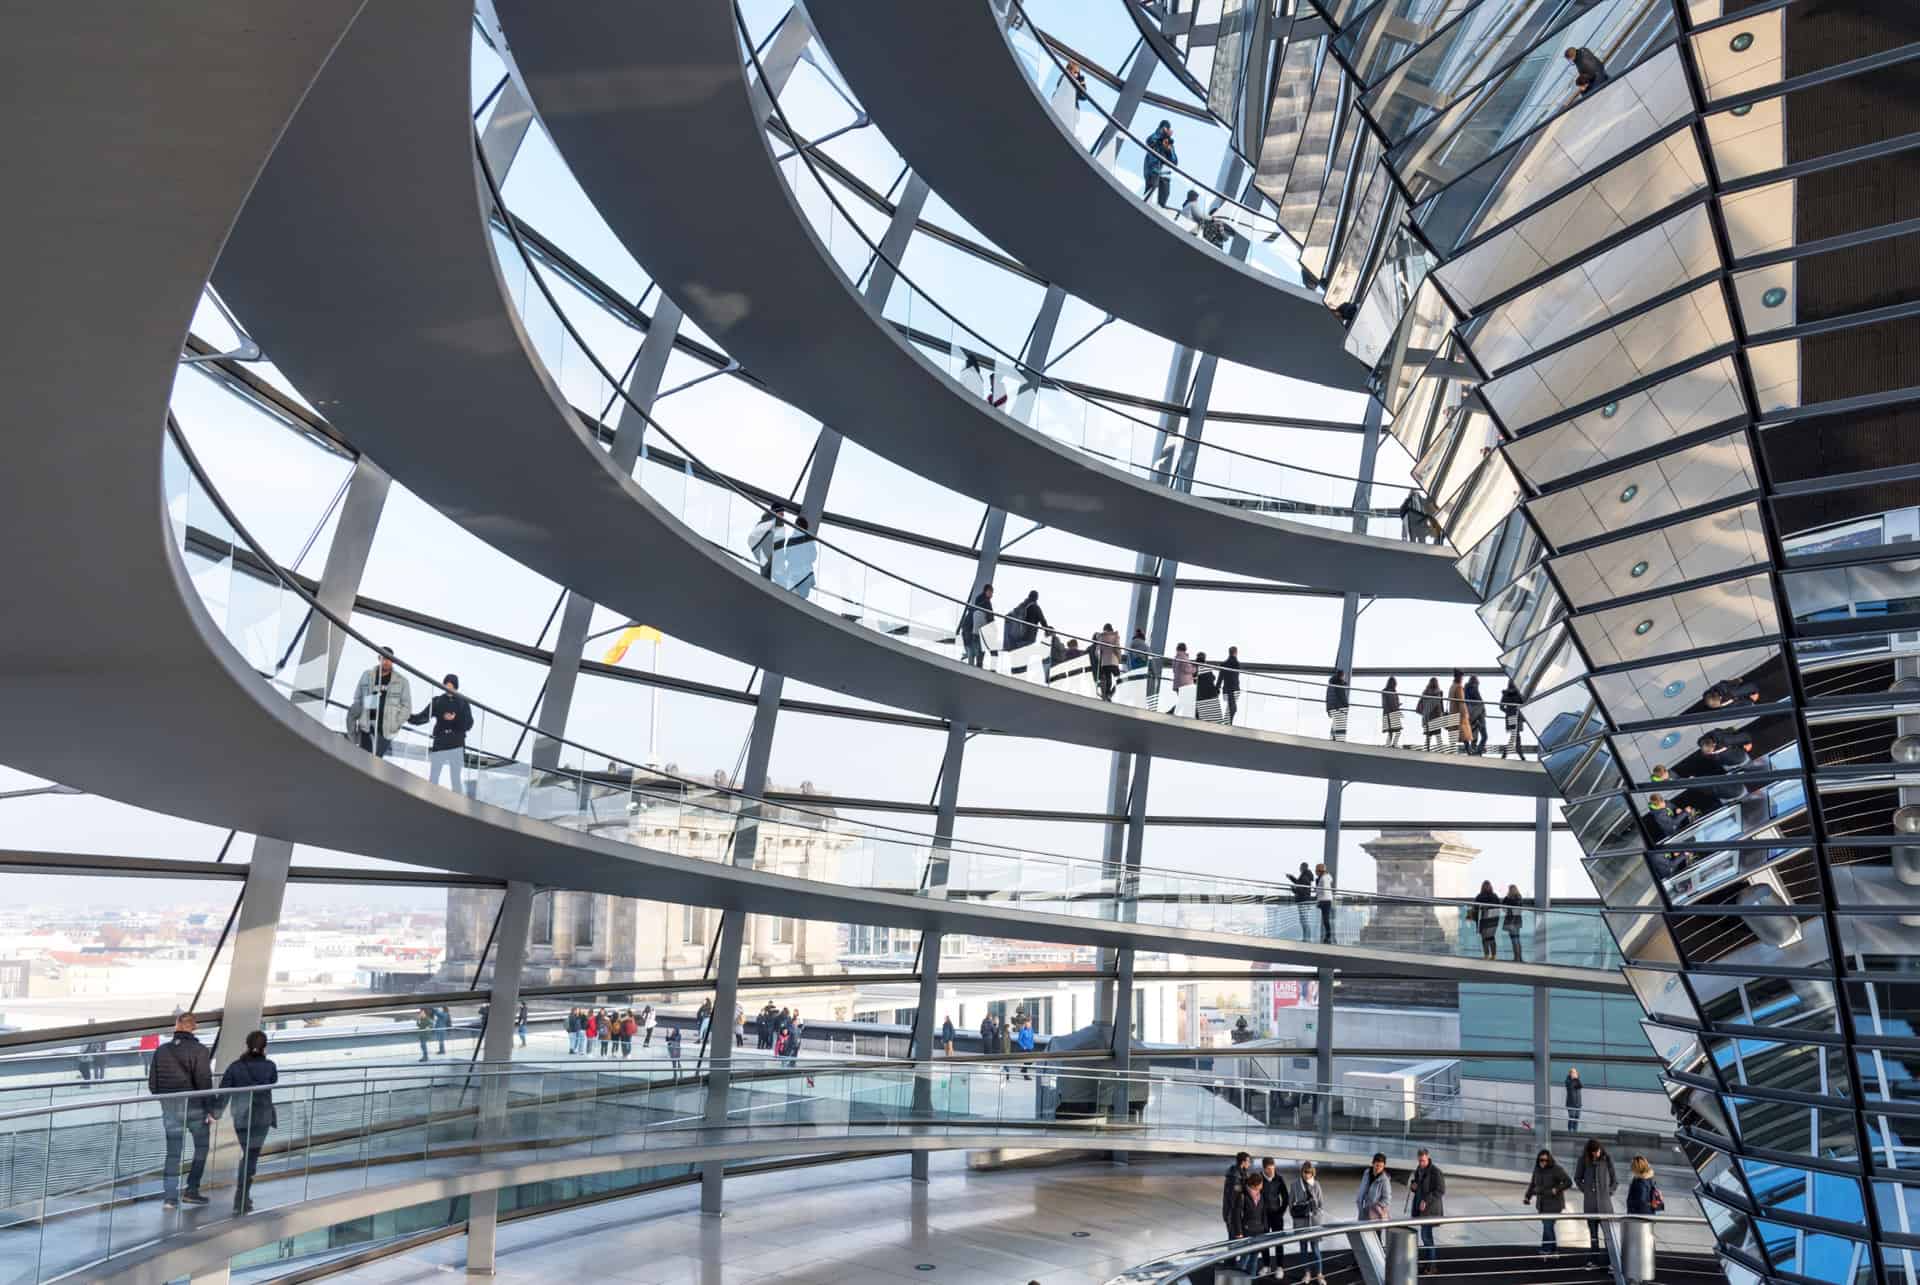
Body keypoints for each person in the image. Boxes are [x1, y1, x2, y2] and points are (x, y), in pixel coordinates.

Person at [148, 1013, 215, 1208]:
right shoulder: (200, 1051)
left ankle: (170, 1198)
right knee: (201, 1148)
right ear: (194, 1027)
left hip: (170, 1109)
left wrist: (167, 1102)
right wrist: (210, 1109)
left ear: (176, 1025)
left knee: (173, 1154)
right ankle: (191, 1190)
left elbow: (153, 1085)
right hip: (195, 1109)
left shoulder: (161, 1051)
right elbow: (204, 1083)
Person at [218, 1030, 279, 1214]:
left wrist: (215, 1113)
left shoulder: (235, 1066)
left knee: (248, 1153)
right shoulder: (269, 1066)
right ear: (264, 1047)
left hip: (241, 1116)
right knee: (251, 1156)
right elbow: (273, 1080)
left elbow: (224, 1090)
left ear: (246, 1044)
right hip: (262, 1117)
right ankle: (241, 1198)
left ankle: (243, 1197)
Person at [407, 673, 474, 791]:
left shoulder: (463, 702)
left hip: (457, 743)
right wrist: (406, 716)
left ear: (456, 687)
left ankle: (456, 805)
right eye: (446, 685)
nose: (448, 687)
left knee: (456, 778)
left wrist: (455, 718)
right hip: (440, 741)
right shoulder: (438, 701)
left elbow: (469, 724)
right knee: (434, 776)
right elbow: (422, 717)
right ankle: (430, 801)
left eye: (451, 685)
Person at [351, 648, 411, 759]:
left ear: (393, 661)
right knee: (362, 759)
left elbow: (407, 707)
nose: (386, 661)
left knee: (376, 762)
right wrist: (359, 717)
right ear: (379, 658)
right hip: (367, 726)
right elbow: (357, 698)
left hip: (387, 730)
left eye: (389, 659)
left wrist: (396, 723)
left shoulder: (402, 681)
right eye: (383, 658)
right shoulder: (367, 675)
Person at [1524, 1148, 1573, 1254]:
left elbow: (1568, 1182)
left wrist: (1557, 1189)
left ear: (1549, 1160)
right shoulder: (1537, 1169)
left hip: (1554, 1204)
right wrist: (1527, 1196)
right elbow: (1533, 1184)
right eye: (1541, 1160)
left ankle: (1546, 1249)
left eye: (1545, 1160)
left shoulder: (1556, 1169)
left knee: (1547, 1226)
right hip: (1541, 1204)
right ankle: (1553, 1249)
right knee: (1548, 1227)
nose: (1543, 1162)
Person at [1289, 1160, 1327, 1284]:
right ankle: (1307, 1273)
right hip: (1301, 1222)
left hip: (1314, 1222)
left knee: (1315, 1249)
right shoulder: (1295, 1185)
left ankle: (1320, 1274)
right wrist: (1301, 1211)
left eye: (1309, 1173)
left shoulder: (1316, 1185)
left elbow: (1321, 1205)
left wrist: (1314, 1211)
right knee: (1303, 1249)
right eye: (1305, 1172)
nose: (1307, 1175)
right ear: (1302, 1172)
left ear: (1313, 1173)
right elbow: (1291, 1205)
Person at [1576, 1139, 1618, 1251]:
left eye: (1597, 1151)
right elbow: (1577, 1178)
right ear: (1589, 1152)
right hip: (1590, 1205)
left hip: (1605, 1205)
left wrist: (1609, 1192)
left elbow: (1615, 1180)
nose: (1596, 1154)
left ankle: (1611, 1261)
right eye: (1593, 1152)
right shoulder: (1583, 1160)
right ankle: (1594, 1260)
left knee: (1608, 1235)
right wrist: (1586, 1190)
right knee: (1593, 1235)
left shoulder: (1607, 1159)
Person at [1408, 1148, 1446, 1270]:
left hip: (1430, 1210)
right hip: (1421, 1209)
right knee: (1425, 1237)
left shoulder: (1435, 1172)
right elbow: (1418, 1186)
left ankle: (1431, 1266)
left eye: (1423, 1161)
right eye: (1419, 1161)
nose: (1421, 1163)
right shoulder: (1419, 1169)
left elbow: (1440, 1191)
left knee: (1426, 1237)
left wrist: (1426, 1200)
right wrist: (1413, 1186)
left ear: (1428, 1157)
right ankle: (1429, 1264)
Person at [1228, 1171, 1271, 1273]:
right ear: (1256, 1185)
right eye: (1261, 1184)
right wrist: (1239, 1232)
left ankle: (1250, 1279)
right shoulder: (1242, 1196)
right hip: (1246, 1231)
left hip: (1259, 1231)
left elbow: (1264, 1213)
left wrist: (1265, 1228)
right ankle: (1238, 1280)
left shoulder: (1261, 1195)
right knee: (1245, 1258)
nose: (1262, 1186)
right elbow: (1236, 1215)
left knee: (1254, 1259)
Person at [1142, 119, 1176, 207]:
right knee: (1150, 190)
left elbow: (1174, 162)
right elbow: (1149, 141)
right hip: (1153, 170)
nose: (1166, 131)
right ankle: (1144, 207)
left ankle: (1159, 209)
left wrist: (1169, 150)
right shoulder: (1155, 138)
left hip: (1165, 174)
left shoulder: (1168, 143)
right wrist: (1160, 133)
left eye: (1167, 129)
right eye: (1164, 128)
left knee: (1164, 195)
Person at [959, 584, 993, 667]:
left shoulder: (979, 602)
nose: (992, 594)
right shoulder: (985, 603)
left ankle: (970, 661)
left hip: (970, 628)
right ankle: (973, 666)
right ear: (986, 591)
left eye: (992, 592)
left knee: (972, 651)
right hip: (973, 630)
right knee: (976, 651)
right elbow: (989, 617)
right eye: (991, 592)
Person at [1356, 1153, 1392, 1232]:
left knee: (1375, 1239)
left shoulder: (1384, 1180)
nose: (1378, 1168)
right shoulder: (1367, 1173)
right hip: (1363, 1211)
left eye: (1381, 1166)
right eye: (1377, 1165)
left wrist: (1376, 1205)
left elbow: (1387, 1199)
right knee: (1363, 1236)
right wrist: (1359, 1201)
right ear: (1373, 1163)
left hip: (1375, 1216)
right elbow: (1362, 1189)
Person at [1221, 1152, 1252, 1241]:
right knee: (1234, 1240)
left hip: (1238, 1213)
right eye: (1248, 1161)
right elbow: (1234, 1199)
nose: (1249, 1164)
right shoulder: (1234, 1176)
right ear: (1243, 1162)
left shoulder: (1243, 1173)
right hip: (1232, 1214)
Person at [1472, 879, 1502, 959]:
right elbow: (1498, 908)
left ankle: (1487, 955)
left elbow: (1474, 907)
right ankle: (1492, 955)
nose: (1486, 888)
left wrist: (1472, 918)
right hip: (1492, 920)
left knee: (1485, 937)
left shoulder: (1480, 896)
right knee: (1490, 937)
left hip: (1484, 920)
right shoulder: (1494, 896)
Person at [1418, 677, 1446, 751]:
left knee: (1428, 735)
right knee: (1438, 735)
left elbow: (1420, 704)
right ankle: (1441, 750)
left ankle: (1426, 749)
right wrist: (1442, 714)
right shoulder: (1439, 692)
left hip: (1428, 717)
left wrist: (1424, 713)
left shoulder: (1425, 692)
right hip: (1436, 716)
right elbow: (1441, 705)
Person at [1095, 623, 1122, 700]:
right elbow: (1117, 648)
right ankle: (1113, 694)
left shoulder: (1100, 637)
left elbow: (1097, 651)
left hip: (1104, 663)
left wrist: (1100, 659)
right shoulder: (1115, 636)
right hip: (1113, 661)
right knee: (1118, 679)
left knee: (1108, 679)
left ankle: (1107, 694)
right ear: (1111, 629)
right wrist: (1119, 659)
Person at [1193, 651, 1222, 721]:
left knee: (1199, 711)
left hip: (1201, 694)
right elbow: (1213, 677)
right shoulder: (1206, 667)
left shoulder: (1195, 666)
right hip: (1210, 693)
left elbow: (1193, 678)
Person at [1500, 680, 1525, 758]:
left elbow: (1501, 707)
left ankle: (1510, 752)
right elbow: (1523, 704)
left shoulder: (1505, 694)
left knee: (1515, 735)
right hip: (1517, 716)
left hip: (1510, 716)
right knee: (1516, 735)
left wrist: (1508, 711)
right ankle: (1518, 752)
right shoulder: (1518, 694)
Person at [1289, 862, 1315, 939]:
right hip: (1305, 900)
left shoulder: (1304, 877)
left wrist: (1293, 889)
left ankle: (1306, 938)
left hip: (1303, 901)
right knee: (1304, 919)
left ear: (1303, 867)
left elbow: (1301, 890)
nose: (1299, 868)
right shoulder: (1306, 876)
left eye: (1300, 867)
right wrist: (1291, 878)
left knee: (1304, 920)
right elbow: (1299, 883)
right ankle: (1306, 937)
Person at [1465, 674, 1488, 755]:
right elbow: (1478, 704)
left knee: (1475, 735)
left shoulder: (1468, 690)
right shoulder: (1473, 690)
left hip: (1473, 716)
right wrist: (1482, 711)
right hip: (1477, 715)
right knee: (1484, 736)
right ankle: (1477, 751)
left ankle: (1475, 750)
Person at [1325, 668, 1349, 741]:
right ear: (1341, 675)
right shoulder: (1339, 684)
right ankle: (1339, 740)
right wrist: (1346, 705)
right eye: (1344, 676)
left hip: (1332, 707)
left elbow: (1327, 698)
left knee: (1335, 723)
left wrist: (1328, 709)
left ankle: (1333, 738)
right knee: (1340, 724)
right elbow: (1342, 696)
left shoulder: (1331, 685)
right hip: (1339, 706)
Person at [1503, 884, 1526, 961]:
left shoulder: (1508, 898)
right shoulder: (1519, 897)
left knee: (1514, 939)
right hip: (1518, 920)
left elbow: (1503, 908)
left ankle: (1516, 957)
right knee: (1517, 939)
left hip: (1510, 921)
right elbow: (1520, 909)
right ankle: (1519, 957)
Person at [1447, 670, 1467, 755]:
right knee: (1465, 733)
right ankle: (1469, 751)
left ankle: (1452, 750)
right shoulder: (1459, 687)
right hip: (1458, 713)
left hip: (1452, 712)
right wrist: (1465, 714)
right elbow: (1461, 702)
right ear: (1459, 677)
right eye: (1462, 677)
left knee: (1454, 734)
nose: (1462, 679)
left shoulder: (1452, 686)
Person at [1171, 643, 1195, 713]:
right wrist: (1195, 669)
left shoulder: (1176, 658)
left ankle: (1172, 712)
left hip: (1178, 682)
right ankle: (1172, 712)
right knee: (1185, 701)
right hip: (1185, 683)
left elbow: (1174, 670)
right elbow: (1187, 669)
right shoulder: (1184, 658)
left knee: (1183, 700)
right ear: (1185, 649)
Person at [1315, 862, 1335, 943]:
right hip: (1326, 900)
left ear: (1319, 871)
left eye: (1316, 870)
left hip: (1325, 900)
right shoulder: (1326, 877)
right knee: (1325, 919)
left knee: (1326, 919)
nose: (1315, 872)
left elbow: (1323, 890)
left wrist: (1319, 901)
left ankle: (1328, 936)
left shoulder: (1323, 878)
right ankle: (1328, 936)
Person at [1221, 646, 1242, 724]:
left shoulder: (1224, 663)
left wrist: (1218, 688)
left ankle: (1227, 722)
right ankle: (1228, 723)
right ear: (1235, 652)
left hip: (1226, 688)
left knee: (1230, 707)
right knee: (1233, 708)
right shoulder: (1236, 663)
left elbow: (1221, 677)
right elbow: (1235, 677)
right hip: (1234, 689)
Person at [1381, 676, 1402, 747]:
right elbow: (1393, 703)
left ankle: (1388, 744)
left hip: (1386, 712)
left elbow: (1385, 703)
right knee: (1398, 730)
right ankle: (1394, 744)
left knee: (1390, 731)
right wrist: (1398, 708)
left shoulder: (1384, 691)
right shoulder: (1393, 692)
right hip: (1393, 712)